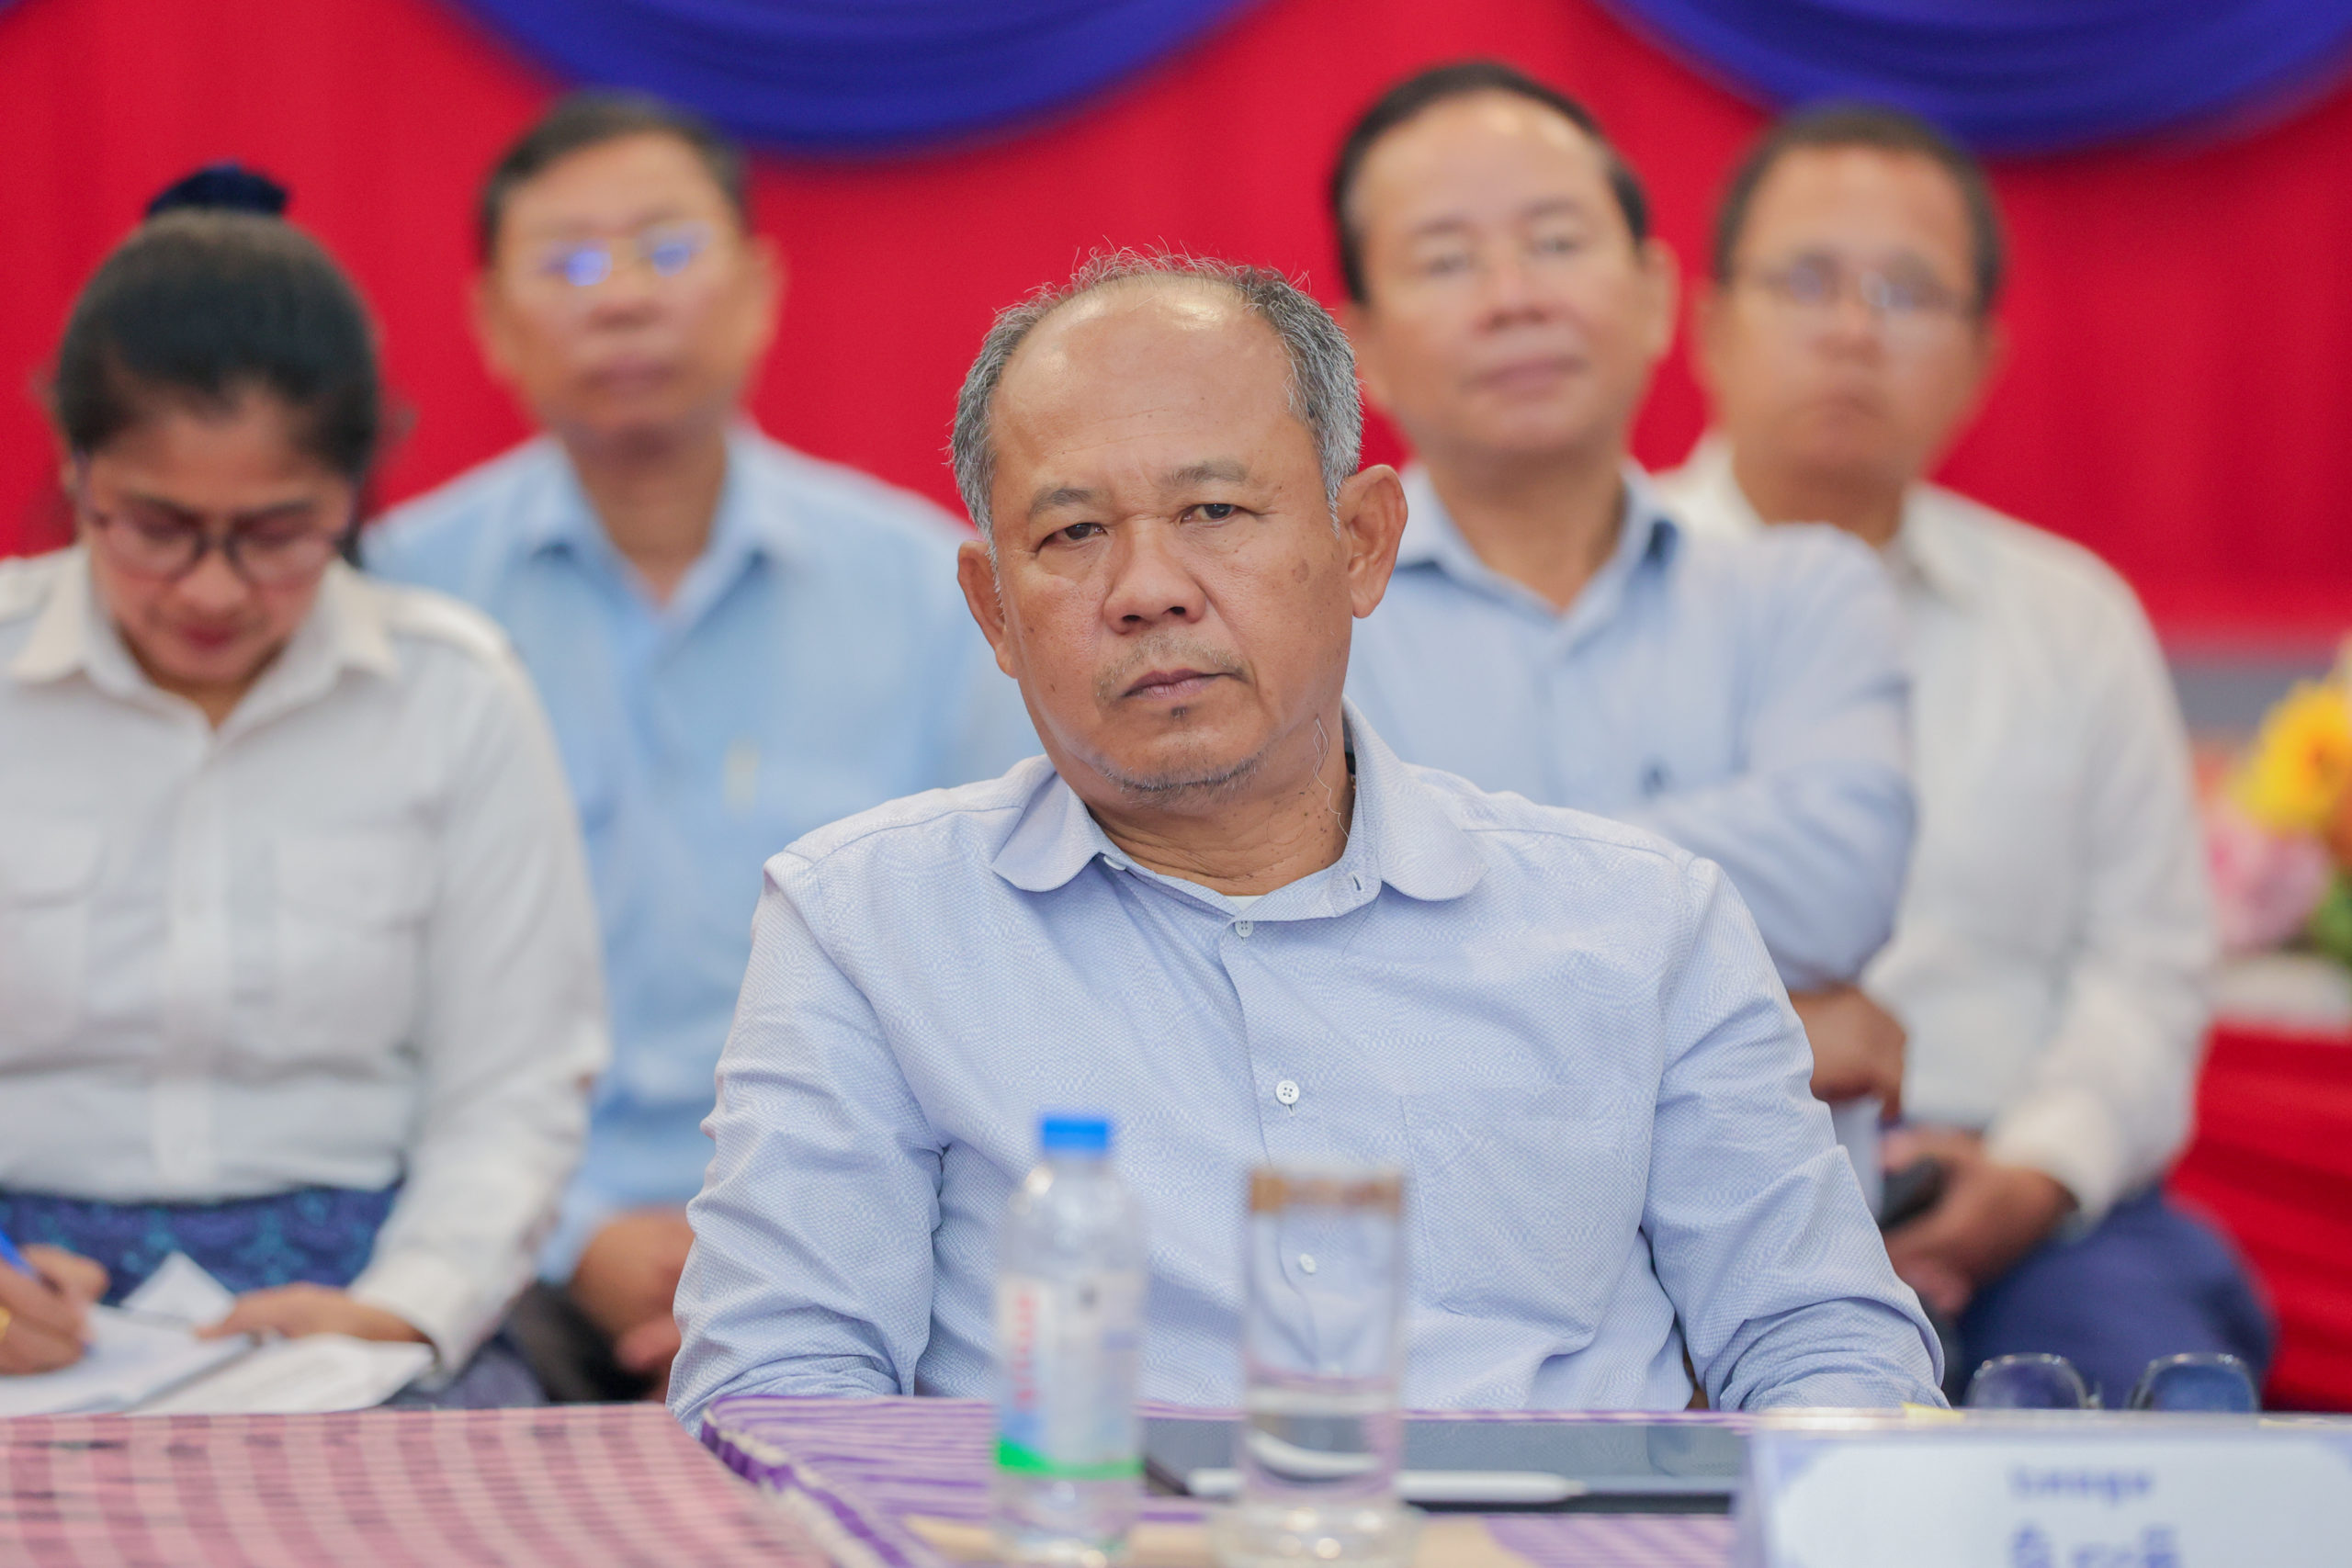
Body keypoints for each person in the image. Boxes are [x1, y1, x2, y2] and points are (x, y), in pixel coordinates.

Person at [666, 253, 1943, 1427]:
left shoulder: (1644, 925)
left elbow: (1824, 1341)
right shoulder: (865, 928)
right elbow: (780, 1394)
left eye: (1215, 510)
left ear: (1361, 543)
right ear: (993, 610)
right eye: (1072, 533)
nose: (1149, 589)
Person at [367, 94, 1035, 1400]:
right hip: (499, 1258)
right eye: (569, 263)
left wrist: (783, 1253)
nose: (622, 297)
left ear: (758, 290)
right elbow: (361, 995)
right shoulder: (402, 605)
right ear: (491, 321)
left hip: (865, 1239)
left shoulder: (930, 594)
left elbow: (996, 963)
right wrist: (576, 1236)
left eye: (667, 250)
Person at [1658, 104, 2266, 1403]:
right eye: (1805, 279)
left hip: (2025, 1208)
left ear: (1983, 357)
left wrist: (2039, 1169)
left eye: (1906, 291)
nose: (1852, 329)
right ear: (1708, 324)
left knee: (2158, 1401)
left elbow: (2147, 967)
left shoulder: (2071, 618)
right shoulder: (1604, 597)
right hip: (1682, 1195)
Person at [0, 170, 604, 1403]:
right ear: (77, 471)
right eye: (156, 527)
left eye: (277, 535)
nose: (213, 589)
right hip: (30, 1303)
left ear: (354, 496)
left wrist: (409, 1303)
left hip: (350, 1301)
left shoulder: (455, 693)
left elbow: (516, 1082)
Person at [1330, 62, 1915, 1119]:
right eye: (1447, 260)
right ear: (1361, 347)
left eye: (1556, 242)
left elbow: (1839, 890)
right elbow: (1316, 960)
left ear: (1654, 298)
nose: (1514, 298)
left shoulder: (1805, 592)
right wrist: (1762, 1022)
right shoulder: (1305, 631)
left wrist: (1431, 877)